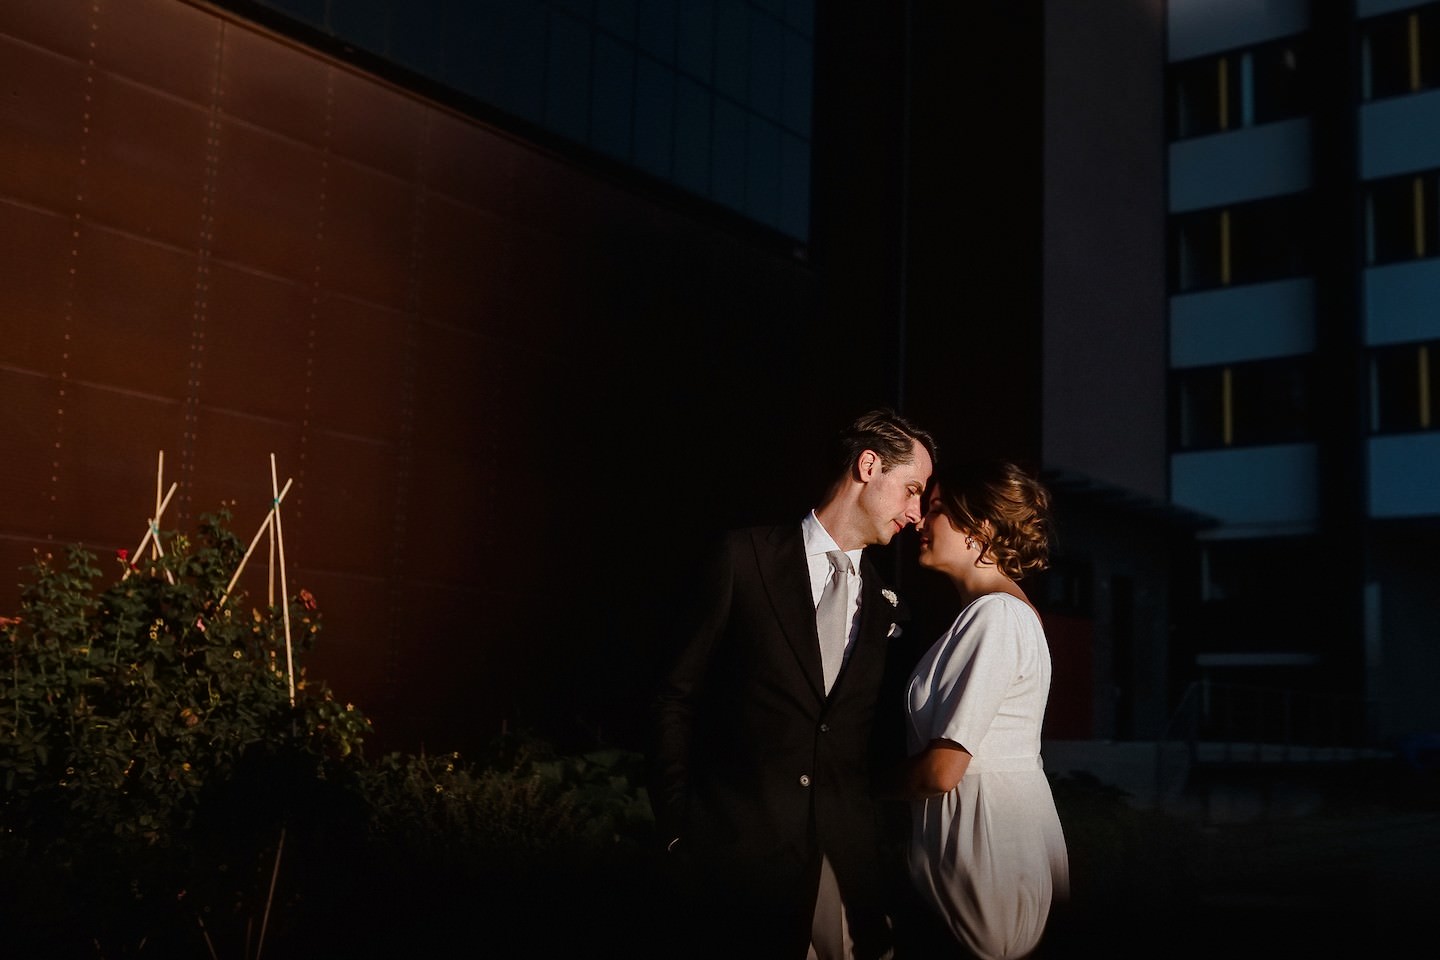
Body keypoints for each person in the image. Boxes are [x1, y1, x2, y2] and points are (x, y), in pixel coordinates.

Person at [647, 408, 937, 959]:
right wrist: (676, 827)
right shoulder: (742, 558)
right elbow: (673, 696)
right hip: (735, 861)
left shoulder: (889, 605)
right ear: (868, 466)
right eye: (912, 490)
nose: (917, 513)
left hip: (847, 875)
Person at [891, 461, 1069, 959]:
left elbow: (942, 770)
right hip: (986, 846)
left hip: (984, 855)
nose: (919, 523)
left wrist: (853, 791)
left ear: (982, 529)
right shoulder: (994, 614)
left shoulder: (997, 616)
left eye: (937, 511)